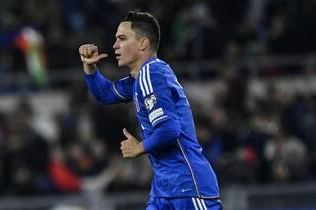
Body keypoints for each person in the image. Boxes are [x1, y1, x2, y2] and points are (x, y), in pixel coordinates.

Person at [78, 11, 222, 210]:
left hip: (187, 186)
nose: (115, 46)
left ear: (143, 43)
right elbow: (105, 94)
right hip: (165, 188)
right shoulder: (140, 79)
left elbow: (170, 129)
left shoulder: (151, 74)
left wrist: (139, 148)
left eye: (122, 38)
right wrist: (91, 69)